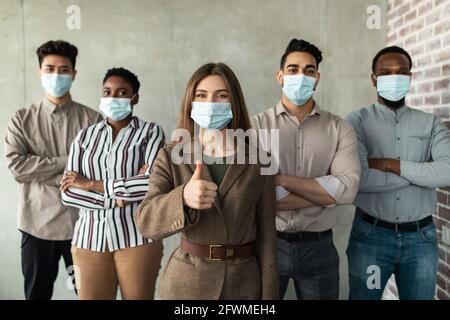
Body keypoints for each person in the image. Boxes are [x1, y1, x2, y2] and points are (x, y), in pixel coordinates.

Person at [136, 62, 278, 300]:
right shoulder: (171, 155)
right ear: (190, 103)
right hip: (186, 282)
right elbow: (146, 221)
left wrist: (269, 298)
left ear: (234, 103)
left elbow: (267, 239)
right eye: (201, 96)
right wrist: (183, 197)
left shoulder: (260, 162)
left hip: (243, 283)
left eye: (221, 96)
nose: (210, 104)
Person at [252, 39, 361, 300]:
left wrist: (280, 179)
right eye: (293, 69)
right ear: (280, 76)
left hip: (319, 247)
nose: (301, 76)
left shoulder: (339, 128)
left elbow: (347, 190)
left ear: (317, 78)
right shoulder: (254, 126)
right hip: (267, 244)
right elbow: (255, 193)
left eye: (309, 70)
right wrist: (325, 195)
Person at [346, 46, 450, 300]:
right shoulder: (357, 121)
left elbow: (446, 173)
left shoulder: (431, 123)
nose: (394, 77)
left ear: (410, 77)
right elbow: (360, 179)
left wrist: (391, 164)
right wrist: (421, 173)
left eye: (402, 72)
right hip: (370, 236)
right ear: (374, 78)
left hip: (421, 240)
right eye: (386, 72)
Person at [4, 40, 102, 300]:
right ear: (40, 73)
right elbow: (18, 167)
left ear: (74, 74)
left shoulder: (93, 120)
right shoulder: (21, 119)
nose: (56, 75)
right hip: (36, 225)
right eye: (50, 69)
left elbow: (100, 170)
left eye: (63, 69)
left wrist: (43, 168)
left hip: (84, 226)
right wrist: (68, 163)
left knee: (90, 295)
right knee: (37, 295)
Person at [60, 67, 165, 300]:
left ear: (134, 97)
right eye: (107, 92)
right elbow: (68, 192)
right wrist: (118, 198)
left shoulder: (150, 133)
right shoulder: (84, 136)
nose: (113, 97)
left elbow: (153, 184)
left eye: (121, 92)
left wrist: (92, 184)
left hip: (138, 238)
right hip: (89, 240)